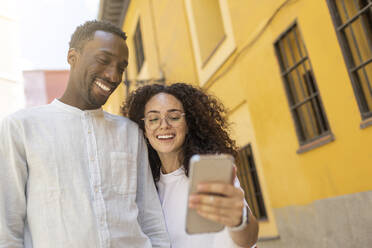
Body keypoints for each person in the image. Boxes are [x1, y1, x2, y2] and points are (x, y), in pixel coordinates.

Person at [0, 20, 169, 248]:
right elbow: (7, 227)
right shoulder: (21, 128)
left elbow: (150, 217)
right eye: (103, 60)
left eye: (121, 67)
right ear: (72, 57)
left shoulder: (130, 133)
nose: (114, 75)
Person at [122, 83, 259, 248]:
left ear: (188, 125)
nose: (164, 125)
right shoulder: (145, 187)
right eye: (153, 119)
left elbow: (248, 239)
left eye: (174, 117)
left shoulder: (209, 172)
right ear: (144, 129)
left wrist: (239, 219)